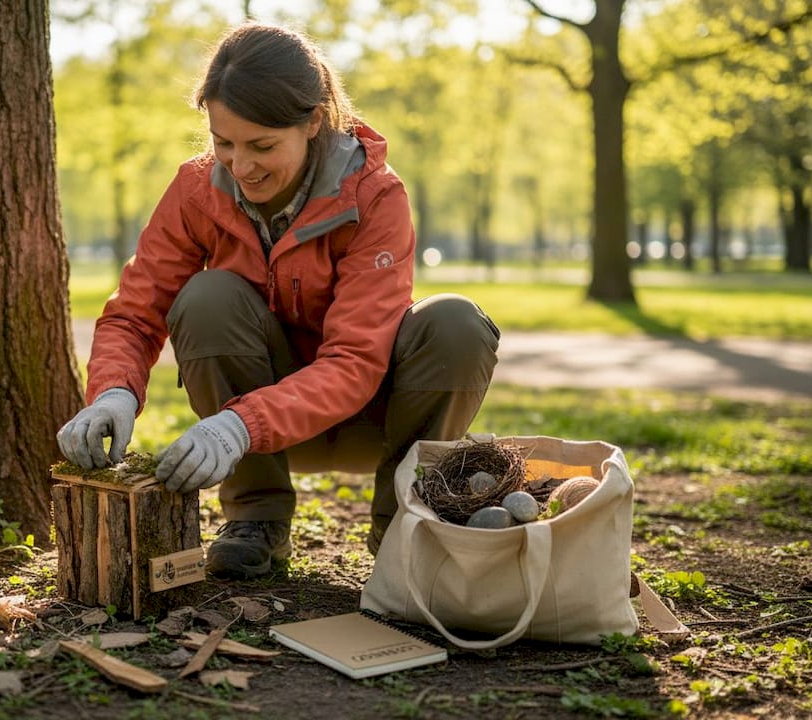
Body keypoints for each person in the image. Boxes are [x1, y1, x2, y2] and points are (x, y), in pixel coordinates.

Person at [57, 22, 501, 580]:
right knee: (207, 296)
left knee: (456, 324)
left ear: (313, 120)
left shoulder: (373, 195)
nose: (240, 167)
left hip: (374, 416)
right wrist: (113, 393)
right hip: (254, 435)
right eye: (224, 143)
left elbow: (356, 361)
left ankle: (405, 527)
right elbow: (136, 309)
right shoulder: (197, 190)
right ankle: (256, 520)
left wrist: (238, 425)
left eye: (262, 145)